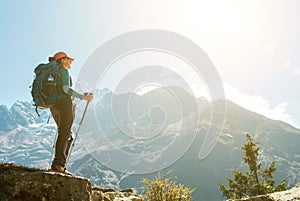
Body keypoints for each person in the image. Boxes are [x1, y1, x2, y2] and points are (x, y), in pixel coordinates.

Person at [48, 51, 93, 174]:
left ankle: (58, 164)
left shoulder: (53, 73)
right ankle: (58, 165)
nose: (71, 62)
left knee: (67, 134)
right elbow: (66, 89)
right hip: (64, 105)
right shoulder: (63, 71)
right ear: (63, 60)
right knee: (65, 133)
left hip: (54, 106)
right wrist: (83, 97)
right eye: (69, 60)